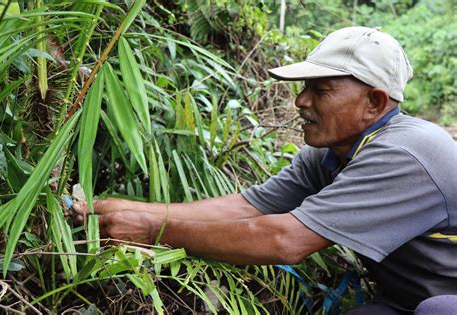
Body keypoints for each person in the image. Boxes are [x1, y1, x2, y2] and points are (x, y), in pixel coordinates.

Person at [74, 26, 457, 313]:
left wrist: (151, 231)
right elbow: (246, 208)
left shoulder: (406, 153)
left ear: (374, 102)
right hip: (409, 302)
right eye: (305, 86)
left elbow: (284, 241)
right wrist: (120, 209)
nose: (300, 100)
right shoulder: (333, 152)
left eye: (320, 90)